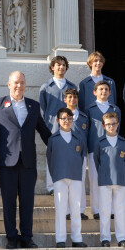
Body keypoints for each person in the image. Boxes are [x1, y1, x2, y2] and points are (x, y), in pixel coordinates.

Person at [0, 71, 51, 249]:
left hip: (28, 162)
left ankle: (27, 237)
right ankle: (11, 237)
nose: (19, 86)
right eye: (15, 83)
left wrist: (58, 143)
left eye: (21, 83)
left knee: (27, 201)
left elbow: (43, 130)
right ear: (9, 84)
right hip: (6, 162)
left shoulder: (33, 106)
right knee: (9, 201)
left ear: (25, 85)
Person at [47, 108, 87, 248]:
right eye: (64, 118)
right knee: (60, 209)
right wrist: (55, 175)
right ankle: (60, 239)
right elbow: (50, 159)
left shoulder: (78, 138)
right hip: (59, 177)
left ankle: (77, 238)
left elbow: (81, 157)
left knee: (76, 209)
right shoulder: (53, 139)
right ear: (58, 120)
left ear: (72, 120)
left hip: (75, 177)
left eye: (69, 118)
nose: (67, 121)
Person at [39, 56, 77, 195]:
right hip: (52, 127)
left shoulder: (72, 86)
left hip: (69, 126)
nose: (61, 67)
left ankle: (68, 182)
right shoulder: (46, 87)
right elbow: (43, 110)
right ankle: (51, 185)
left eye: (63, 65)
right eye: (58, 65)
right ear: (52, 67)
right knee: (53, 155)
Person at [52, 88, 89, 220]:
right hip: (64, 154)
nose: (72, 100)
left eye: (75, 97)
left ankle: (80, 210)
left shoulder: (84, 117)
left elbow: (87, 136)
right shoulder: (61, 116)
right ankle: (67, 211)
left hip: (80, 154)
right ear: (65, 99)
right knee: (65, 181)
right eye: (69, 97)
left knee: (80, 181)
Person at [87, 80, 121, 220]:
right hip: (94, 148)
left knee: (112, 179)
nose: (104, 91)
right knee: (95, 179)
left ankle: (111, 210)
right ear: (95, 92)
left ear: (110, 92)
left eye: (106, 89)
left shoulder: (115, 109)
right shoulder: (89, 109)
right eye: (101, 89)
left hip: (112, 148)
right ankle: (96, 209)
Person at [94, 112, 125, 247]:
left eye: (113, 124)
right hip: (105, 180)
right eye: (108, 124)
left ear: (117, 124)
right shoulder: (100, 143)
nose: (111, 126)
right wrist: (103, 173)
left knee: (120, 211)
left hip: (120, 180)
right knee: (105, 211)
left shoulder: (123, 142)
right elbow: (96, 161)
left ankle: (121, 237)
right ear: (103, 125)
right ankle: (105, 238)